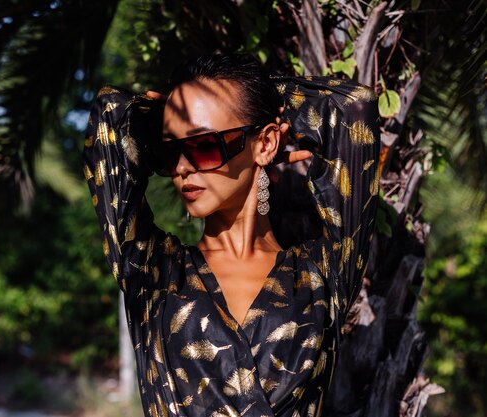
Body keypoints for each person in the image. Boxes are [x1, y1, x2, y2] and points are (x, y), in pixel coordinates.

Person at [83, 53, 379, 417]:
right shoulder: (151, 271)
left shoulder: (324, 274)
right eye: (170, 148)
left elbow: (352, 107)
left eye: (204, 145)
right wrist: (169, 109)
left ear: (267, 143)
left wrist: (257, 97)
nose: (181, 167)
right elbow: (110, 113)